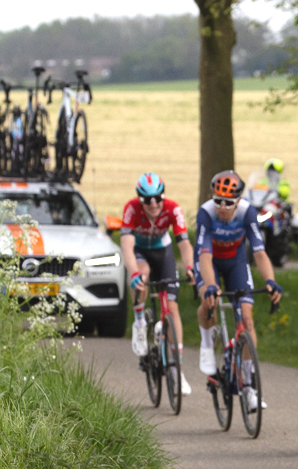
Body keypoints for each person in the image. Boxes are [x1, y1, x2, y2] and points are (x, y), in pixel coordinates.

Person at [194, 170, 284, 411]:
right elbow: (203, 253)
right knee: (208, 301)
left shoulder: (247, 212)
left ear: (238, 201)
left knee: (246, 318)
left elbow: (259, 251)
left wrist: (271, 280)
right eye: (218, 201)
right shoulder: (205, 213)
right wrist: (211, 286)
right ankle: (206, 345)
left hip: (235, 261)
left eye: (228, 203)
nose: (222, 207)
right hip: (209, 260)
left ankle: (248, 387)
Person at [120, 172, 195, 395]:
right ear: (139, 199)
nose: (153, 204)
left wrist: (190, 268)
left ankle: (178, 370)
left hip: (163, 252)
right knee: (142, 276)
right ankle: (140, 322)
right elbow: (126, 245)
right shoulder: (131, 209)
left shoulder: (173, 209)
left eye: (157, 198)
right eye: (147, 200)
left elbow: (184, 243)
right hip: (140, 251)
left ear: (163, 196)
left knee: (172, 308)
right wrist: (133, 273)